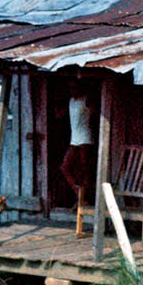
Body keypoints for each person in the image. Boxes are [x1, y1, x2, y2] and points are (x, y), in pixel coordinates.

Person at [60, 80, 96, 209]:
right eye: (71, 88)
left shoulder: (86, 100)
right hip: (74, 139)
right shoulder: (71, 101)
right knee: (65, 167)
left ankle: (82, 199)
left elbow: (96, 113)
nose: (72, 90)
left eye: (75, 88)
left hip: (85, 138)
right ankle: (80, 196)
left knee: (84, 171)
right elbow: (61, 114)